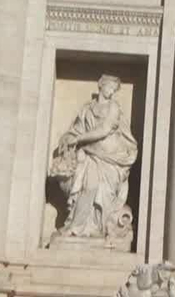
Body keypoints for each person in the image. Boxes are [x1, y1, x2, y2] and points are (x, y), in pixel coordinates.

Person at [51, 75, 139, 241]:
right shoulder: (87, 108)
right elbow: (77, 129)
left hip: (111, 159)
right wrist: (68, 137)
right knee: (87, 184)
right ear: (101, 85)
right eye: (110, 87)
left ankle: (84, 227)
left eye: (115, 89)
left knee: (95, 187)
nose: (112, 91)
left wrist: (77, 139)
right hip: (90, 154)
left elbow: (104, 130)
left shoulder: (113, 107)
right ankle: (80, 226)